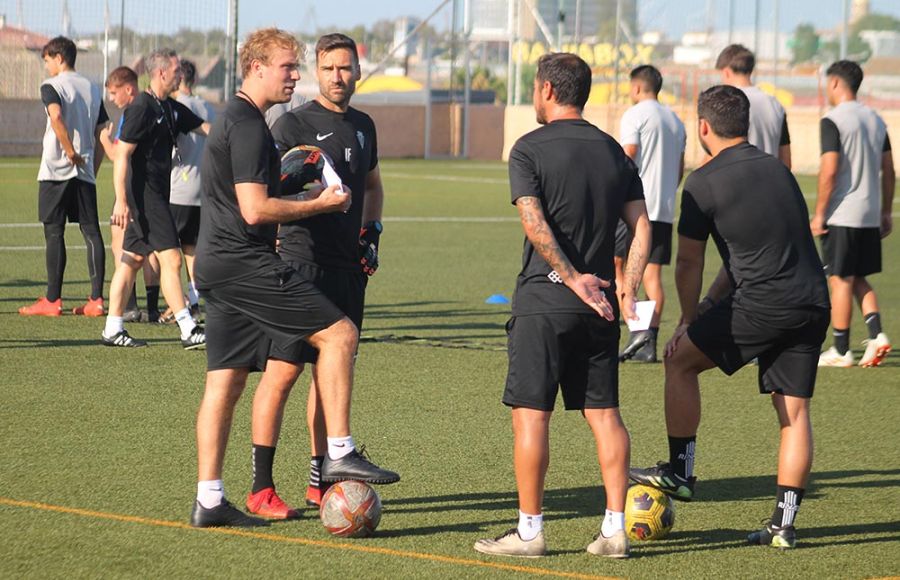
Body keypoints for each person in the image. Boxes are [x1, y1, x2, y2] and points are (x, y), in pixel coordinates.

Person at [190, 27, 398, 528]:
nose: (296, 75)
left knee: (226, 380)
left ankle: (210, 499)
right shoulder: (249, 124)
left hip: (218, 265)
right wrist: (318, 202)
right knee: (340, 335)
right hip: (247, 263)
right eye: (289, 66)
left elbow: (253, 193)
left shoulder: (243, 121)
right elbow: (256, 210)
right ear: (257, 67)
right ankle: (339, 452)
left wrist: (304, 183)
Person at [629, 85, 831, 550]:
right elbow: (745, 261)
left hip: (764, 303)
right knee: (794, 414)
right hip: (811, 302)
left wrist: (685, 321)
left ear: (703, 127)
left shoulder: (702, 182)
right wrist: (708, 309)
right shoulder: (780, 173)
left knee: (679, 361)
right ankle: (784, 525)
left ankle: (680, 473)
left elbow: (688, 264)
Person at [473, 53, 651, 559]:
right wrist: (628, 286)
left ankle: (530, 533)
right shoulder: (615, 152)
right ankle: (614, 530)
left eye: (534, 87)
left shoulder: (528, 149)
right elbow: (644, 227)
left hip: (545, 300)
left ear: (548, 89)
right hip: (600, 308)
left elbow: (533, 222)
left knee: (532, 417)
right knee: (606, 415)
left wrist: (571, 278)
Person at [249, 32, 388, 517]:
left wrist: (371, 232)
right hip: (299, 262)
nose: (338, 76)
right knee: (282, 372)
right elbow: (269, 190)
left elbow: (372, 185)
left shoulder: (365, 126)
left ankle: (319, 479)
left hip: (348, 267)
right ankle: (261, 486)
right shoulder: (291, 124)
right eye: (329, 68)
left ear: (355, 70)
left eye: (346, 68)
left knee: (330, 376)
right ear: (317, 71)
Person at [100, 48, 209, 348]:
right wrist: (121, 200)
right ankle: (188, 329)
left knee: (131, 260)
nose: (180, 74)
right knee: (172, 259)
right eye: (176, 70)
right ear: (161, 73)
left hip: (155, 195)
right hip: (146, 198)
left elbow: (206, 129)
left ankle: (112, 328)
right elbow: (121, 155)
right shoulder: (141, 108)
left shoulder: (169, 108)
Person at [813, 60, 894, 368]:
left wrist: (820, 213)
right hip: (870, 213)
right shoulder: (875, 119)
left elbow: (830, 170)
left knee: (840, 280)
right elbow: (889, 169)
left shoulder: (833, 119)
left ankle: (841, 349)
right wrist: (886, 210)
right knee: (858, 278)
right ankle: (877, 335)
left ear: (835, 83)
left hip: (843, 213)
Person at [20, 36, 107, 318]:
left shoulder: (52, 86)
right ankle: (96, 300)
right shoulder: (93, 88)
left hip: (57, 169)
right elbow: (103, 131)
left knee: (54, 231)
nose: (45, 66)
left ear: (59, 58)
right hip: (84, 172)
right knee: (91, 231)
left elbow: (56, 117)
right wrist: (92, 166)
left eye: (46, 60)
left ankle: (52, 300)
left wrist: (69, 152)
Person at [617, 64, 686, 363]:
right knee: (653, 275)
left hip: (634, 207)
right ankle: (648, 342)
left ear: (636, 87)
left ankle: (636, 331)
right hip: (664, 209)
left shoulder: (635, 114)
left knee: (616, 265)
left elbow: (628, 155)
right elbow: (680, 167)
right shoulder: (675, 120)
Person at [99, 66, 162, 323]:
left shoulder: (132, 114)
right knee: (152, 250)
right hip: (151, 190)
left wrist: (104, 139)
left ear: (129, 89)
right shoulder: (154, 108)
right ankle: (152, 308)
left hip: (129, 192)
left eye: (114, 93)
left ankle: (129, 307)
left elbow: (118, 156)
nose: (112, 99)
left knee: (122, 246)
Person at [165, 58, 215, 322]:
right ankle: (193, 301)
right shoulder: (207, 107)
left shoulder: (176, 108)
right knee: (191, 249)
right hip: (202, 188)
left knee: (167, 251)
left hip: (178, 187)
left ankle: (177, 304)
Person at [715, 44, 791, 167]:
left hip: (738, 181)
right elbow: (786, 160)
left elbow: (716, 153)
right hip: (770, 182)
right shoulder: (776, 105)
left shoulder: (728, 103)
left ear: (726, 72)